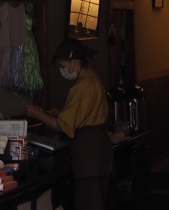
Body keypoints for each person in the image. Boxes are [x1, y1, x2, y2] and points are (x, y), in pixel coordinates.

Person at [26, 39, 113, 210]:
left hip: (88, 155)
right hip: (97, 153)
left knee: (89, 204)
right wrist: (50, 113)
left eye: (62, 66)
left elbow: (63, 125)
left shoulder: (83, 86)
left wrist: (37, 113)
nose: (62, 70)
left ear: (75, 62)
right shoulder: (92, 78)